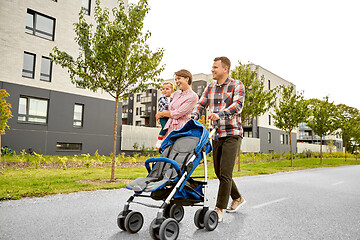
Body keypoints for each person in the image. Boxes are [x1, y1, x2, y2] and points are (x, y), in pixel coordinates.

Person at [191, 56, 246, 222]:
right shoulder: (210, 87)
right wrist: (193, 117)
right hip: (215, 134)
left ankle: (219, 209)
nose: (212, 70)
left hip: (232, 133)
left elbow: (237, 106)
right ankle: (238, 198)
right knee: (219, 172)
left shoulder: (237, 85)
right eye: (212, 67)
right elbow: (201, 104)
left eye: (215, 67)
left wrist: (220, 114)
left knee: (225, 173)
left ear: (225, 69)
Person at [156, 69, 198, 139]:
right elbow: (169, 108)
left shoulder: (193, 96)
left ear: (187, 79)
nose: (177, 81)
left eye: (179, 78)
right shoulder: (176, 93)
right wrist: (160, 117)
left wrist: (161, 114)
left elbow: (177, 113)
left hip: (181, 130)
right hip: (169, 128)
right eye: (175, 79)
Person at [155, 81, 174, 149]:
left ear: (172, 91)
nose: (164, 90)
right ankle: (159, 142)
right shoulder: (162, 98)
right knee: (164, 128)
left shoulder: (172, 99)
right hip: (163, 116)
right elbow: (165, 106)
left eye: (167, 89)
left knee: (169, 129)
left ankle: (164, 140)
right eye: (163, 89)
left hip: (168, 116)